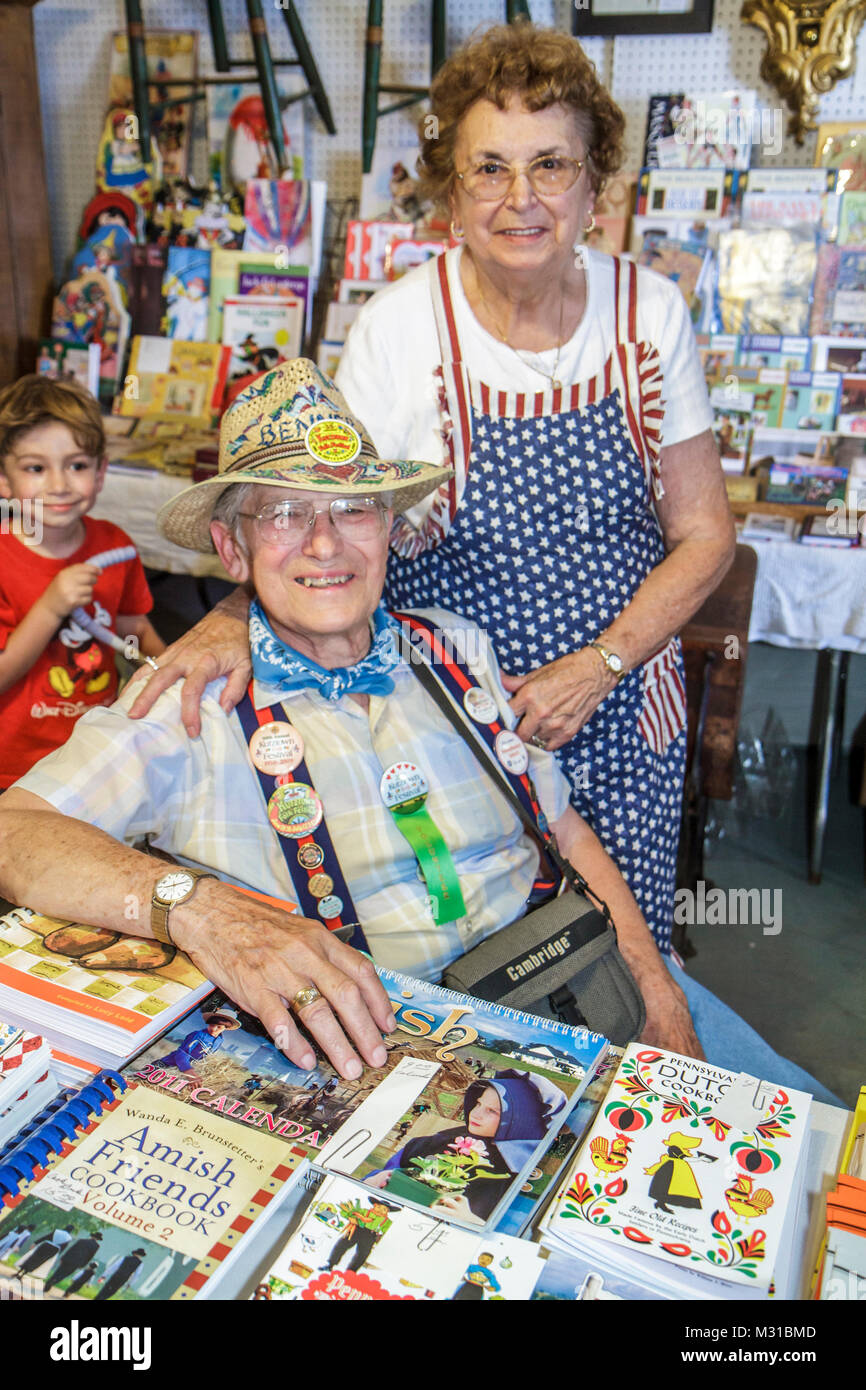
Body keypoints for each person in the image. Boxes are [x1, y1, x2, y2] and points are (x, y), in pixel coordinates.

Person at [0, 362, 836, 1101]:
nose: (325, 542)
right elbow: (14, 830)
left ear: (391, 530)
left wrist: (655, 985)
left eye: (353, 510)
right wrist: (198, 909)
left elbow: (565, 829)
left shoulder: (456, 647)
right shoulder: (191, 700)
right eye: (285, 514)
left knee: (822, 1153)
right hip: (387, 1056)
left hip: (579, 973)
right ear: (232, 546)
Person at [126, 21, 734, 972]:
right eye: (489, 168)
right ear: (452, 189)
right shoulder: (402, 327)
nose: (521, 198)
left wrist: (601, 665)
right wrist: (229, 619)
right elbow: (325, 517)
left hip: (618, 700)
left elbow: (704, 535)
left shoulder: (649, 312)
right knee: (471, 944)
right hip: (448, 715)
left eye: (551, 165)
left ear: (594, 184)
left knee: (624, 955)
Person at [0, 374, 164, 789]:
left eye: (77, 466)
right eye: (36, 468)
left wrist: (170, 675)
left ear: (101, 471)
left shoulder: (116, 545)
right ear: (4, 480)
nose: (59, 485)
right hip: (16, 766)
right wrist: (51, 608)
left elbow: (131, 628)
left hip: (96, 752)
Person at [365, 1069, 567, 1223]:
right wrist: (374, 1180)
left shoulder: (524, 1175)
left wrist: (472, 1221)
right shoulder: (434, 1142)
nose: (475, 1114)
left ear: (522, 1120)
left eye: (492, 1111)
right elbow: (388, 1174)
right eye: (478, 1104)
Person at [159, 1006, 242, 1072]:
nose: (213, 1029)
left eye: (219, 1027)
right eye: (212, 1025)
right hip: (168, 1065)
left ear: (226, 1028)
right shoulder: (198, 1035)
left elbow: (208, 1056)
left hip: (182, 1071)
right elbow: (182, 1053)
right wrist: (189, 1071)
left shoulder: (219, 1041)